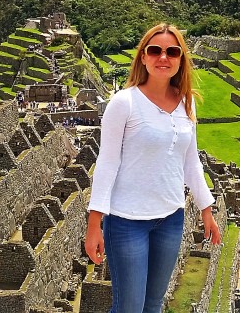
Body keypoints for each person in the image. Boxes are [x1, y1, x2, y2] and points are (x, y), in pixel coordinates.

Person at [84, 23, 221, 313]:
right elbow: (107, 162)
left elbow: (190, 161)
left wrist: (206, 210)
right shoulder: (124, 103)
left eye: (172, 51)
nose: (163, 57)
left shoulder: (187, 104)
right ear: (143, 57)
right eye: (155, 50)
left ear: (181, 59)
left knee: (153, 304)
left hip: (170, 218)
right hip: (126, 221)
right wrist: (94, 223)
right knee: (129, 307)